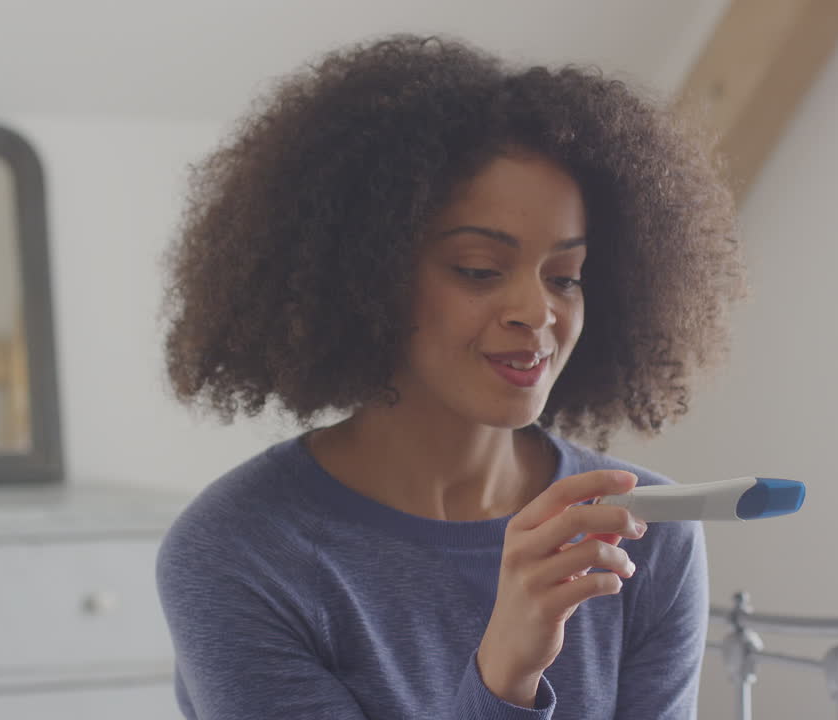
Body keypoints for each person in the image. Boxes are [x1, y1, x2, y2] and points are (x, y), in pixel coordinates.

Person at [155, 33, 746, 720]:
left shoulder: (649, 534)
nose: (538, 311)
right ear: (364, 277)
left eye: (565, 277)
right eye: (478, 269)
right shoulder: (241, 556)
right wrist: (505, 677)